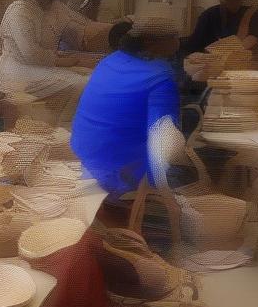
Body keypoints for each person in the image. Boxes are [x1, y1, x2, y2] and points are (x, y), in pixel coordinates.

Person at [71, 15, 181, 192]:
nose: (178, 41)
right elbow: (163, 142)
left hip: (86, 162)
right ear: (153, 42)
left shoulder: (109, 62)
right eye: (174, 36)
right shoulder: (159, 77)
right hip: (120, 176)